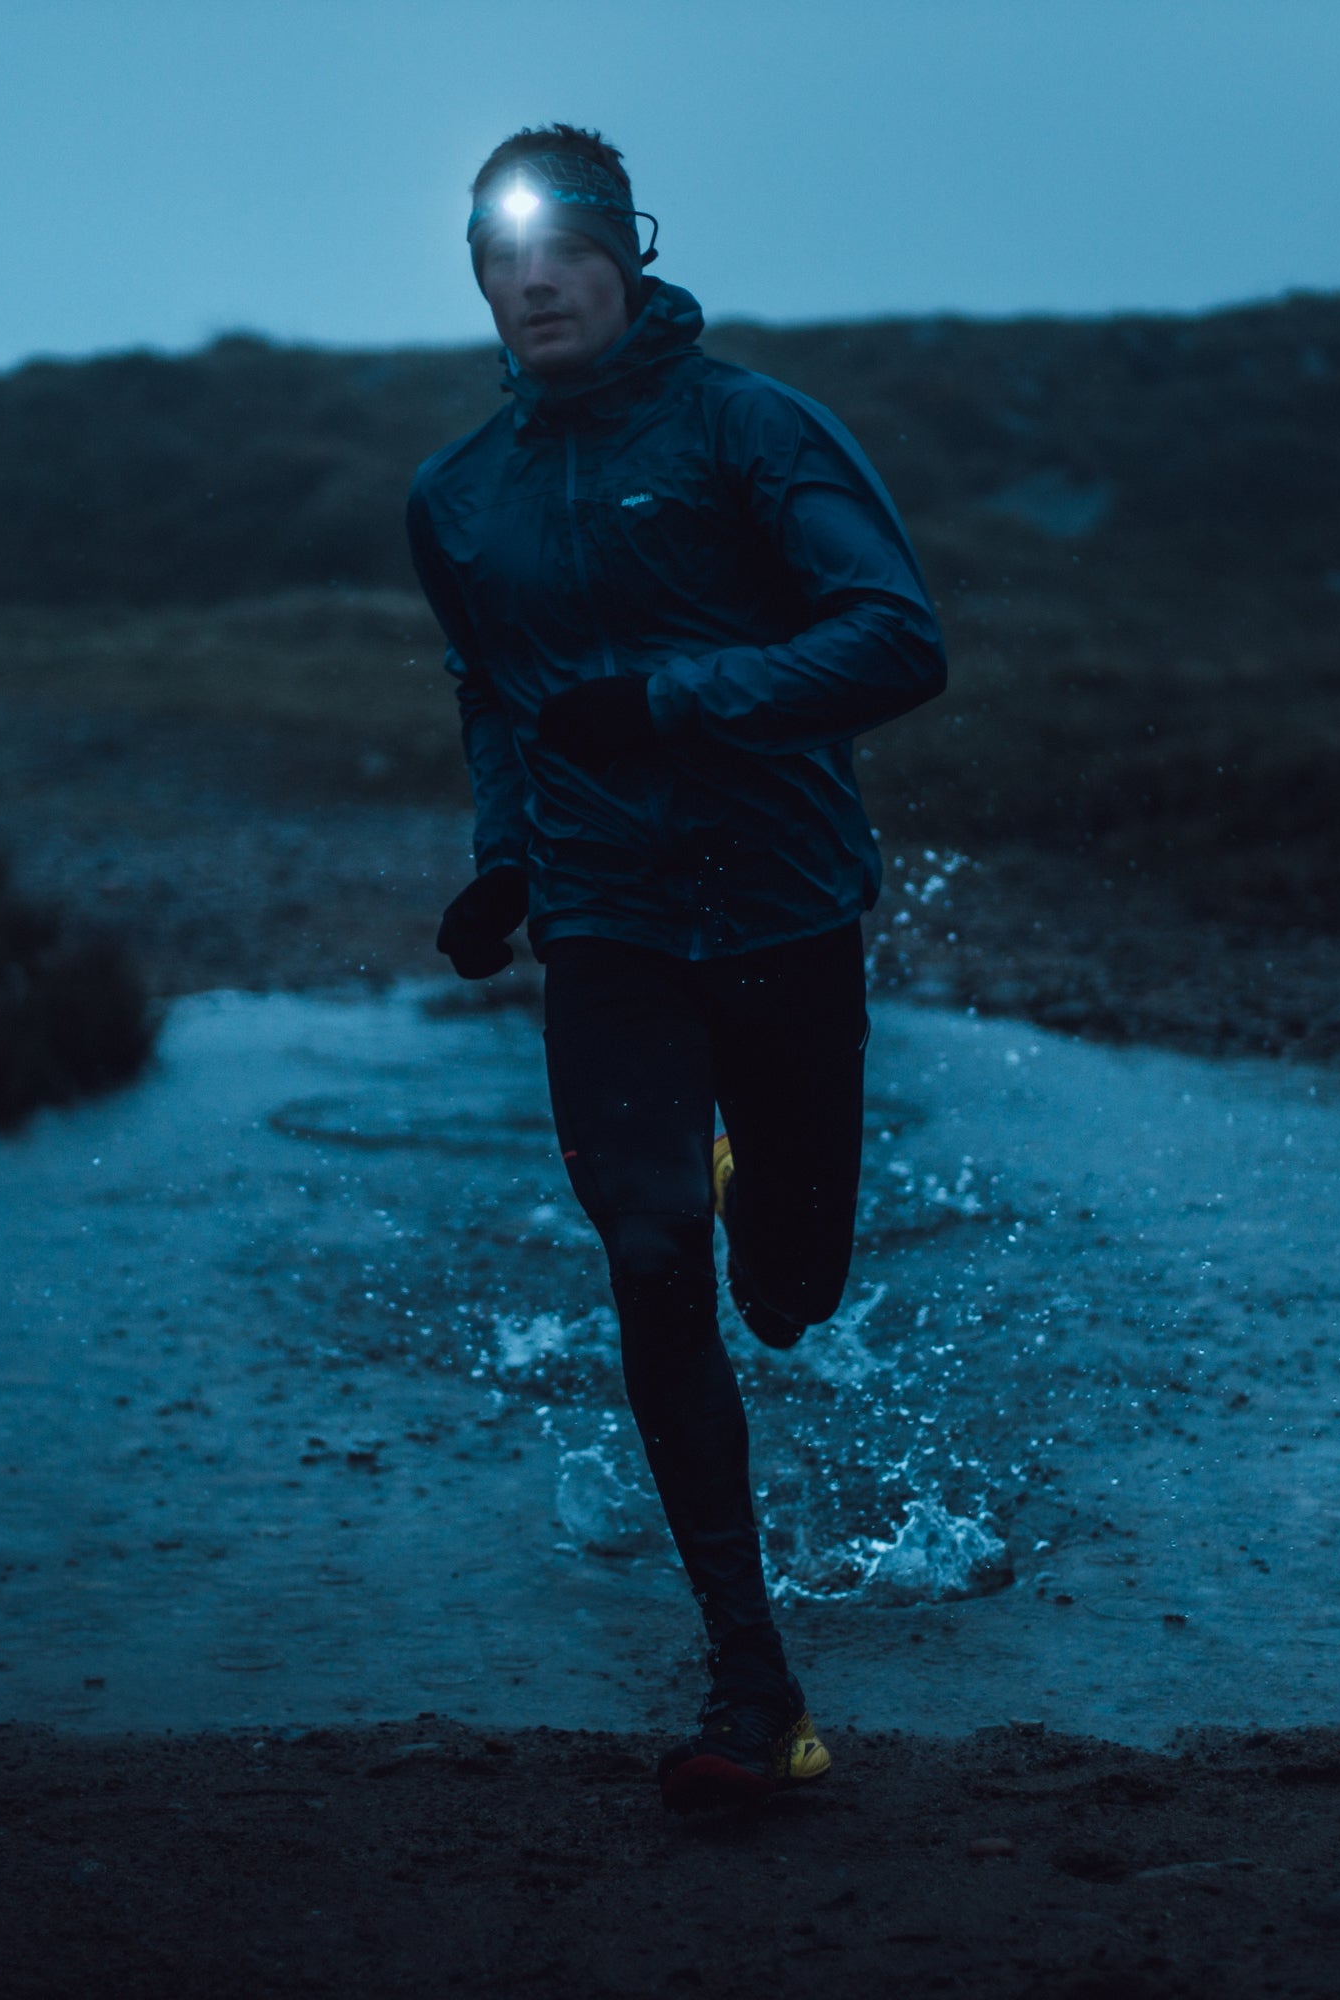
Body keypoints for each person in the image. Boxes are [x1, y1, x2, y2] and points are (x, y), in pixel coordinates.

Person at [405, 124, 947, 1813]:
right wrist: (507, 857)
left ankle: (753, 1207)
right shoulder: (458, 500)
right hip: (609, 929)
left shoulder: (750, 428)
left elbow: (898, 639)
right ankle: (752, 1684)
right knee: (650, 1248)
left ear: (626, 256)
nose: (535, 277)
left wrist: (673, 700)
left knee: (787, 1292)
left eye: (565, 243)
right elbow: (492, 691)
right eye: (503, 254)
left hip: (783, 911)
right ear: (481, 280)